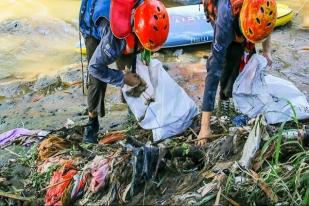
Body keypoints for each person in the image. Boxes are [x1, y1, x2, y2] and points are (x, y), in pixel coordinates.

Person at [79, 0, 169, 143]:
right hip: (94, 21)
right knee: (96, 80)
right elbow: (95, 68)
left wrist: (145, 54)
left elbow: (150, 35)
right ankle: (92, 122)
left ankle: (134, 113)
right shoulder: (114, 40)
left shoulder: (146, 9)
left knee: (132, 70)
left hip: (125, 19)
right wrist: (122, 78)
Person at [197, 0, 277, 146]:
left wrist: (266, 51)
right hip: (222, 12)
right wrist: (204, 127)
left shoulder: (265, 4)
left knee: (248, 55)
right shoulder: (225, 22)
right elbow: (213, 72)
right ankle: (224, 99)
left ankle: (241, 96)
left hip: (245, 20)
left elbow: (267, 23)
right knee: (231, 56)